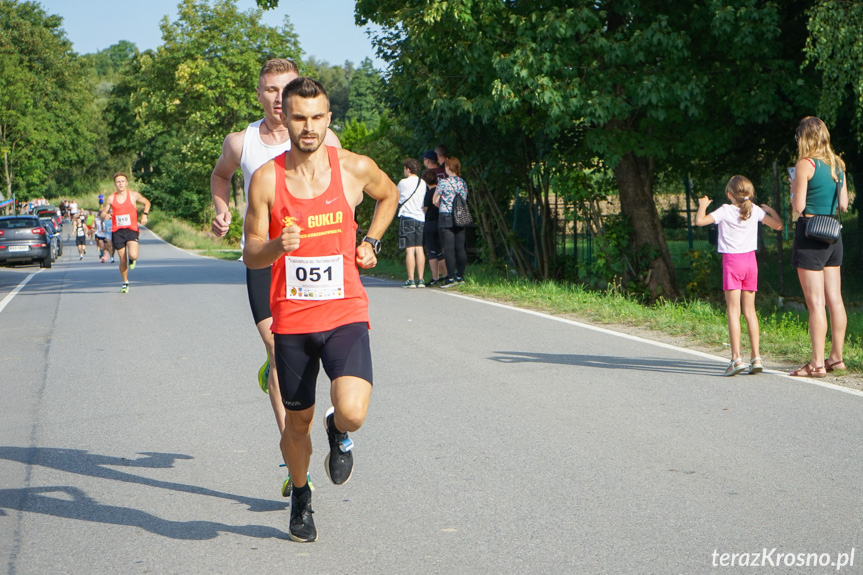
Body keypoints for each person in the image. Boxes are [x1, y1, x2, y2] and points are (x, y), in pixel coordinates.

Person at [243, 77, 398, 543]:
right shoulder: (267, 179)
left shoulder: (353, 168)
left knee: (352, 412)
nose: (308, 127)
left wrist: (371, 241)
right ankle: (300, 496)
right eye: (298, 117)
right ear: (283, 118)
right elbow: (250, 253)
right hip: (293, 322)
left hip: (346, 312)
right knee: (296, 424)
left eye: (317, 117)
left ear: (328, 119)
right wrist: (275, 244)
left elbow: (388, 195)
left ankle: (339, 431)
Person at [210, 58, 342, 497]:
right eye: (269, 89)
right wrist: (222, 208)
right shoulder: (240, 141)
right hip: (267, 260)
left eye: (283, 89)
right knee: (274, 343)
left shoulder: (323, 137)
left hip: (312, 264)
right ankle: (293, 453)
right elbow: (221, 176)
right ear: (261, 94)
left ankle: (325, 423)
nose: (276, 99)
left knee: (326, 346)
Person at [695, 176, 784, 376]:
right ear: (749, 193)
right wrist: (772, 211)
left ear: (729, 194)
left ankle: (736, 359)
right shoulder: (755, 210)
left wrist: (702, 205)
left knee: (734, 312)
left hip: (732, 262)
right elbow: (778, 226)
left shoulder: (725, 210)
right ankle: (757, 357)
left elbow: (700, 221)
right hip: (750, 262)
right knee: (750, 312)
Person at [788, 116, 849, 377]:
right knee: (835, 299)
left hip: (811, 236)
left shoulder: (805, 164)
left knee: (816, 303)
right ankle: (837, 357)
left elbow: (799, 206)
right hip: (833, 236)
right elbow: (844, 206)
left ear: (805, 137)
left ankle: (816, 363)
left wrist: (793, 188)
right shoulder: (838, 165)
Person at [100, 172, 151, 293]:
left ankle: (132, 260)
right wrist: (105, 215)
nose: (121, 183)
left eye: (123, 181)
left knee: (133, 255)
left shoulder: (133, 195)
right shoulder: (111, 198)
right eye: (118, 182)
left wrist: (145, 215)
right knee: (122, 259)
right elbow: (102, 213)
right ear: (115, 184)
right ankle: (125, 282)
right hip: (117, 231)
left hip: (131, 229)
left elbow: (147, 203)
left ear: (126, 183)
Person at [433, 157, 470, 288]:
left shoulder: (443, 183)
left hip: (446, 216)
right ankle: (460, 276)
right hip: (460, 215)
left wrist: (440, 202)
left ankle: (450, 278)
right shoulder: (463, 183)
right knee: (460, 247)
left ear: (448, 168)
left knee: (448, 249)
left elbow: (434, 199)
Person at [397, 158, 427, 287]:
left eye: (404, 169)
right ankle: (421, 279)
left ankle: (411, 279)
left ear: (408, 169)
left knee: (409, 249)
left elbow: (397, 197)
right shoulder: (423, 183)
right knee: (419, 248)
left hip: (407, 217)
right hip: (420, 217)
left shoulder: (403, 183)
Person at [421, 169, 446, 285]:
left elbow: (425, 210)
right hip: (440, 223)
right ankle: (446, 275)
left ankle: (435, 277)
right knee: (441, 250)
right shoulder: (441, 192)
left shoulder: (428, 194)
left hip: (430, 223)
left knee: (432, 251)